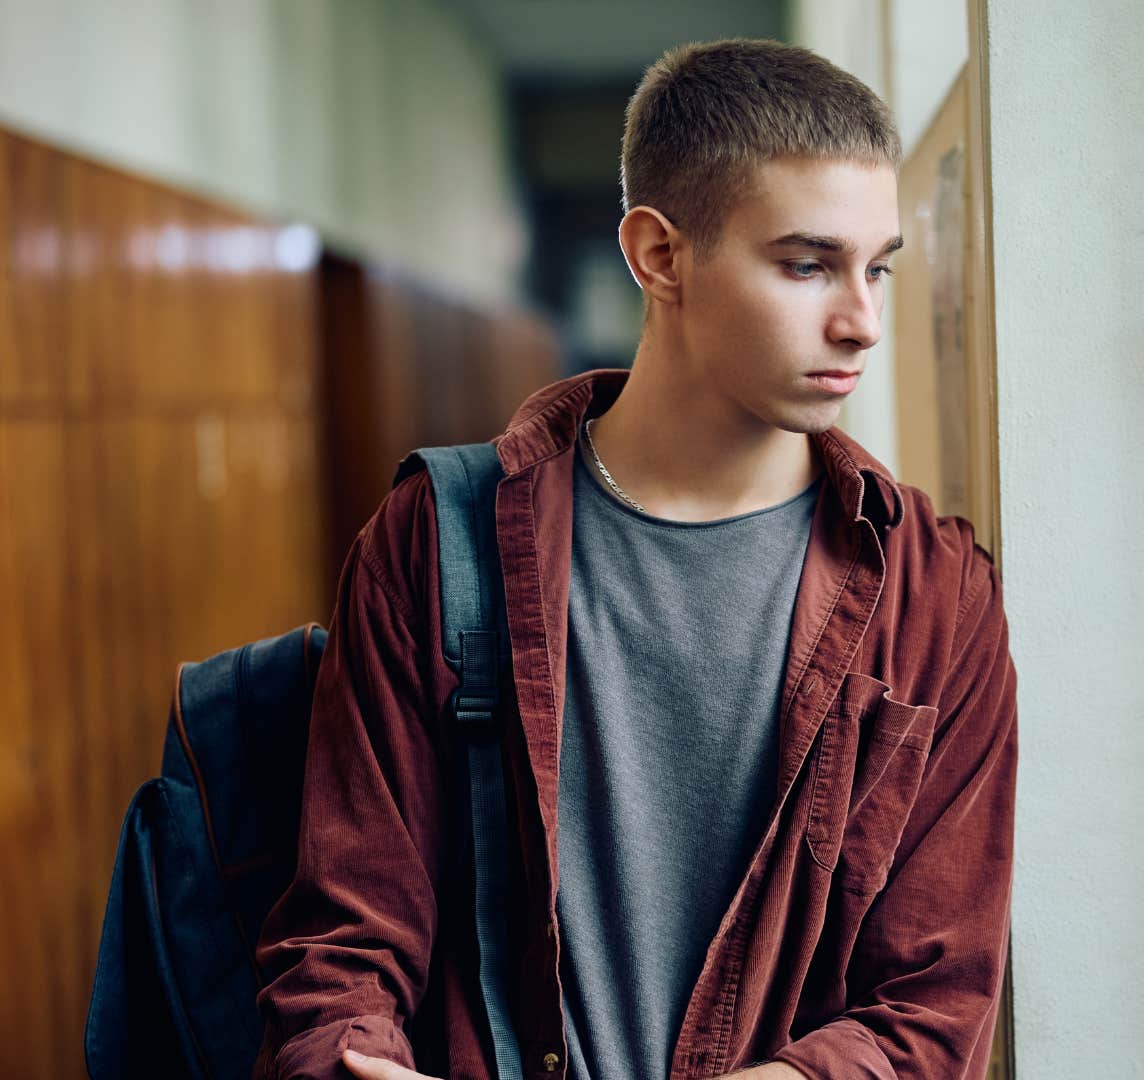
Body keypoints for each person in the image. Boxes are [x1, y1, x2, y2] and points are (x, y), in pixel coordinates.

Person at [252, 38, 1018, 1080]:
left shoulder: (936, 593)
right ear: (660, 256)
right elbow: (341, 949)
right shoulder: (438, 537)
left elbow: (932, 1008)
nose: (863, 322)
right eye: (807, 265)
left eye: (876, 266)